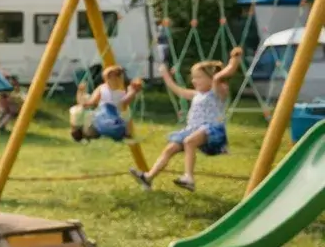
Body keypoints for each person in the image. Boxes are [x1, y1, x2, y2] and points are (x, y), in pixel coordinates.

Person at [132, 47, 243, 190]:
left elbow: (220, 76)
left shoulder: (217, 92)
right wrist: (165, 74)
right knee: (170, 149)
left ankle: (189, 178)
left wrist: (234, 61)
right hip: (193, 130)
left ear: (210, 78)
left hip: (212, 130)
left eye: (198, 77)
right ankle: (148, 177)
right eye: (193, 77)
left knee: (189, 142)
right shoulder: (196, 94)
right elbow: (177, 89)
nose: (194, 80)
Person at [70, 66, 143, 142]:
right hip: (102, 119)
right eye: (108, 78)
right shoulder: (102, 88)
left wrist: (134, 90)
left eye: (118, 77)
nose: (116, 80)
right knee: (78, 111)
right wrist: (80, 92)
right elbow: (88, 104)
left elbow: (124, 103)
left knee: (124, 113)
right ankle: (78, 133)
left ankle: (127, 134)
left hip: (115, 122)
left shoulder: (125, 90)